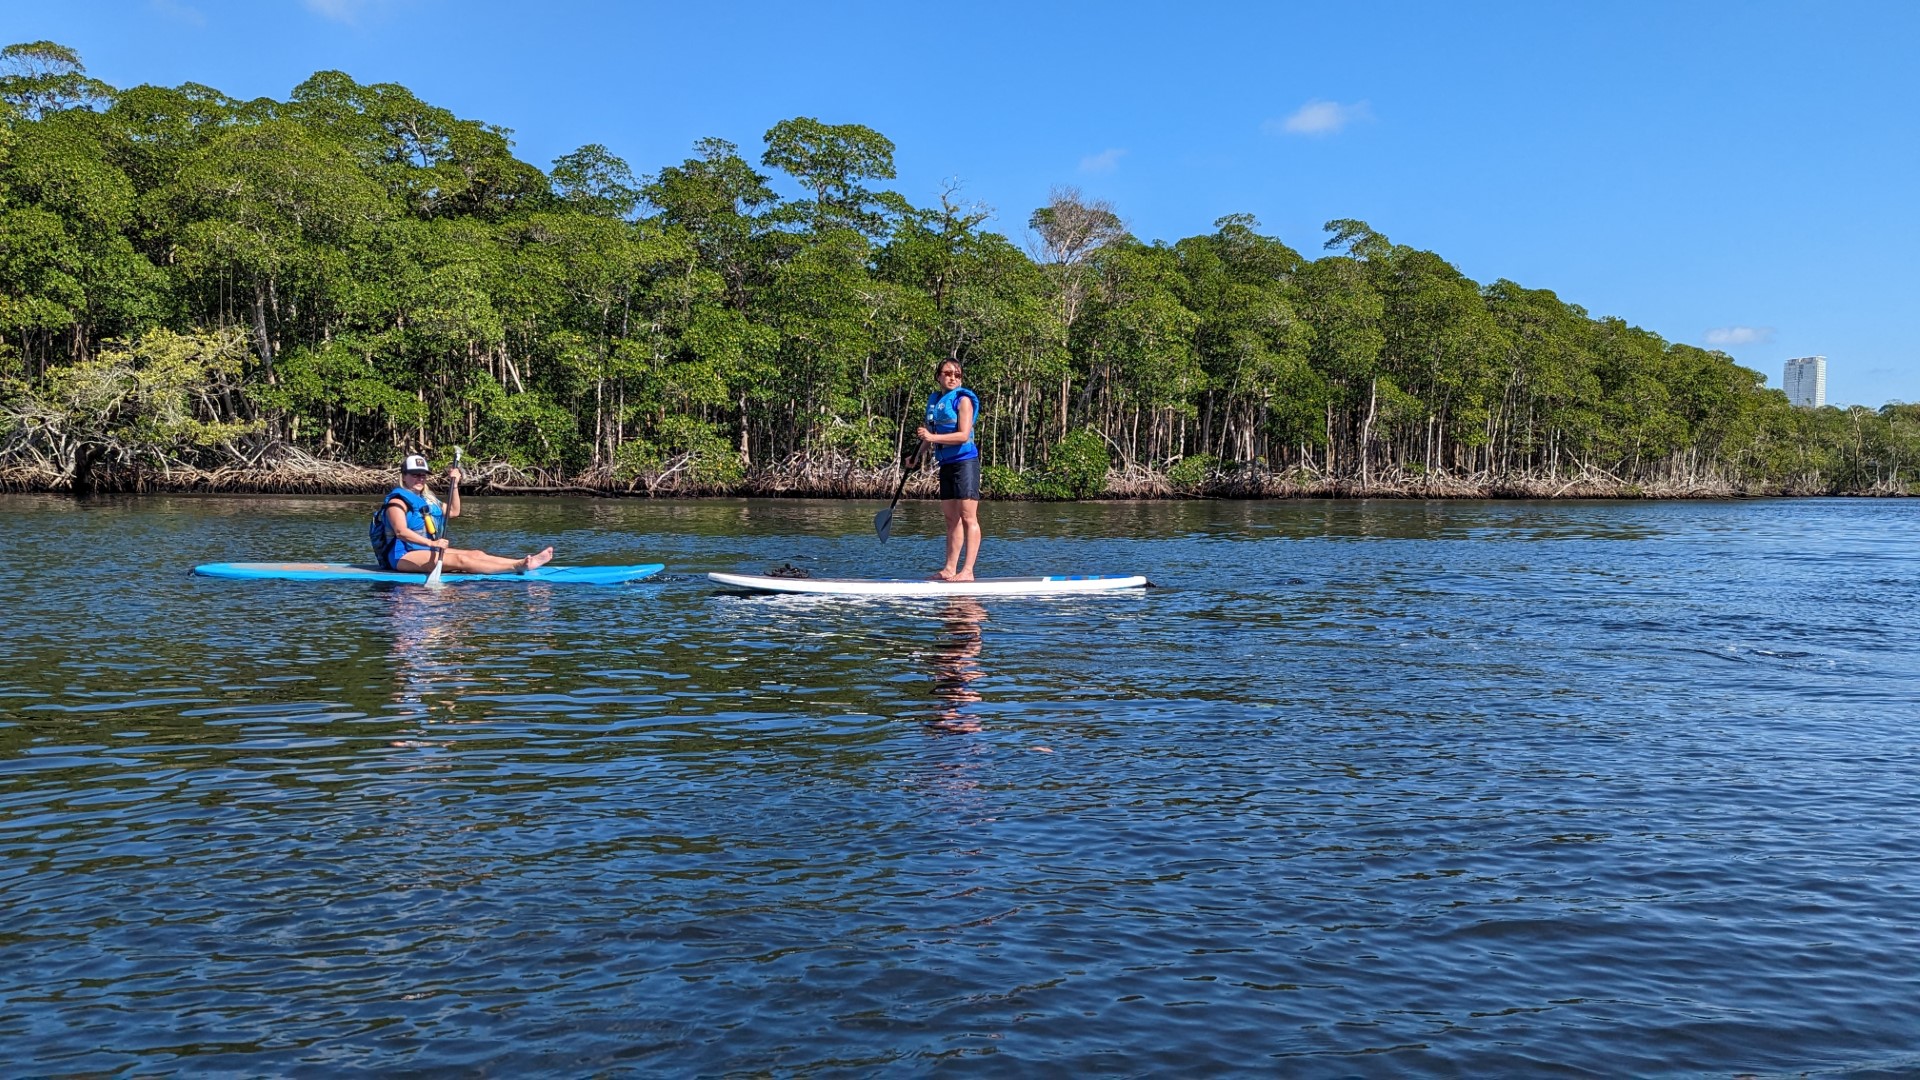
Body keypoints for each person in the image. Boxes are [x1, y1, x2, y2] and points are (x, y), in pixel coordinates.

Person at [371, 454, 554, 574]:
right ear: (404, 476)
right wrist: (432, 543)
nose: (420, 479)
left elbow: (453, 511)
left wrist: (455, 485)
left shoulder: (428, 500)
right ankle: (517, 567)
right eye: (414, 475)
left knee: (476, 553)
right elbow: (401, 532)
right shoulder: (397, 502)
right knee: (461, 560)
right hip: (401, 556)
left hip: (425, 549)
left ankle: (521, 561)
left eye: (423, 475)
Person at [916, 359, 982, 582]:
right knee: (951, 518)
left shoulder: (963, 401)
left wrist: (931, 437)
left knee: (967, 517)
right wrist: (915, 456)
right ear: (938, 376)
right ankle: (949, 569)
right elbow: (930, 433)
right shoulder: (934, 401)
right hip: (946, 464)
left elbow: (963, 435)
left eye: (957, 374)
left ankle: (968, 571)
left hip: (965, 463)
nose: (953, 377)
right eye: (947, 373)